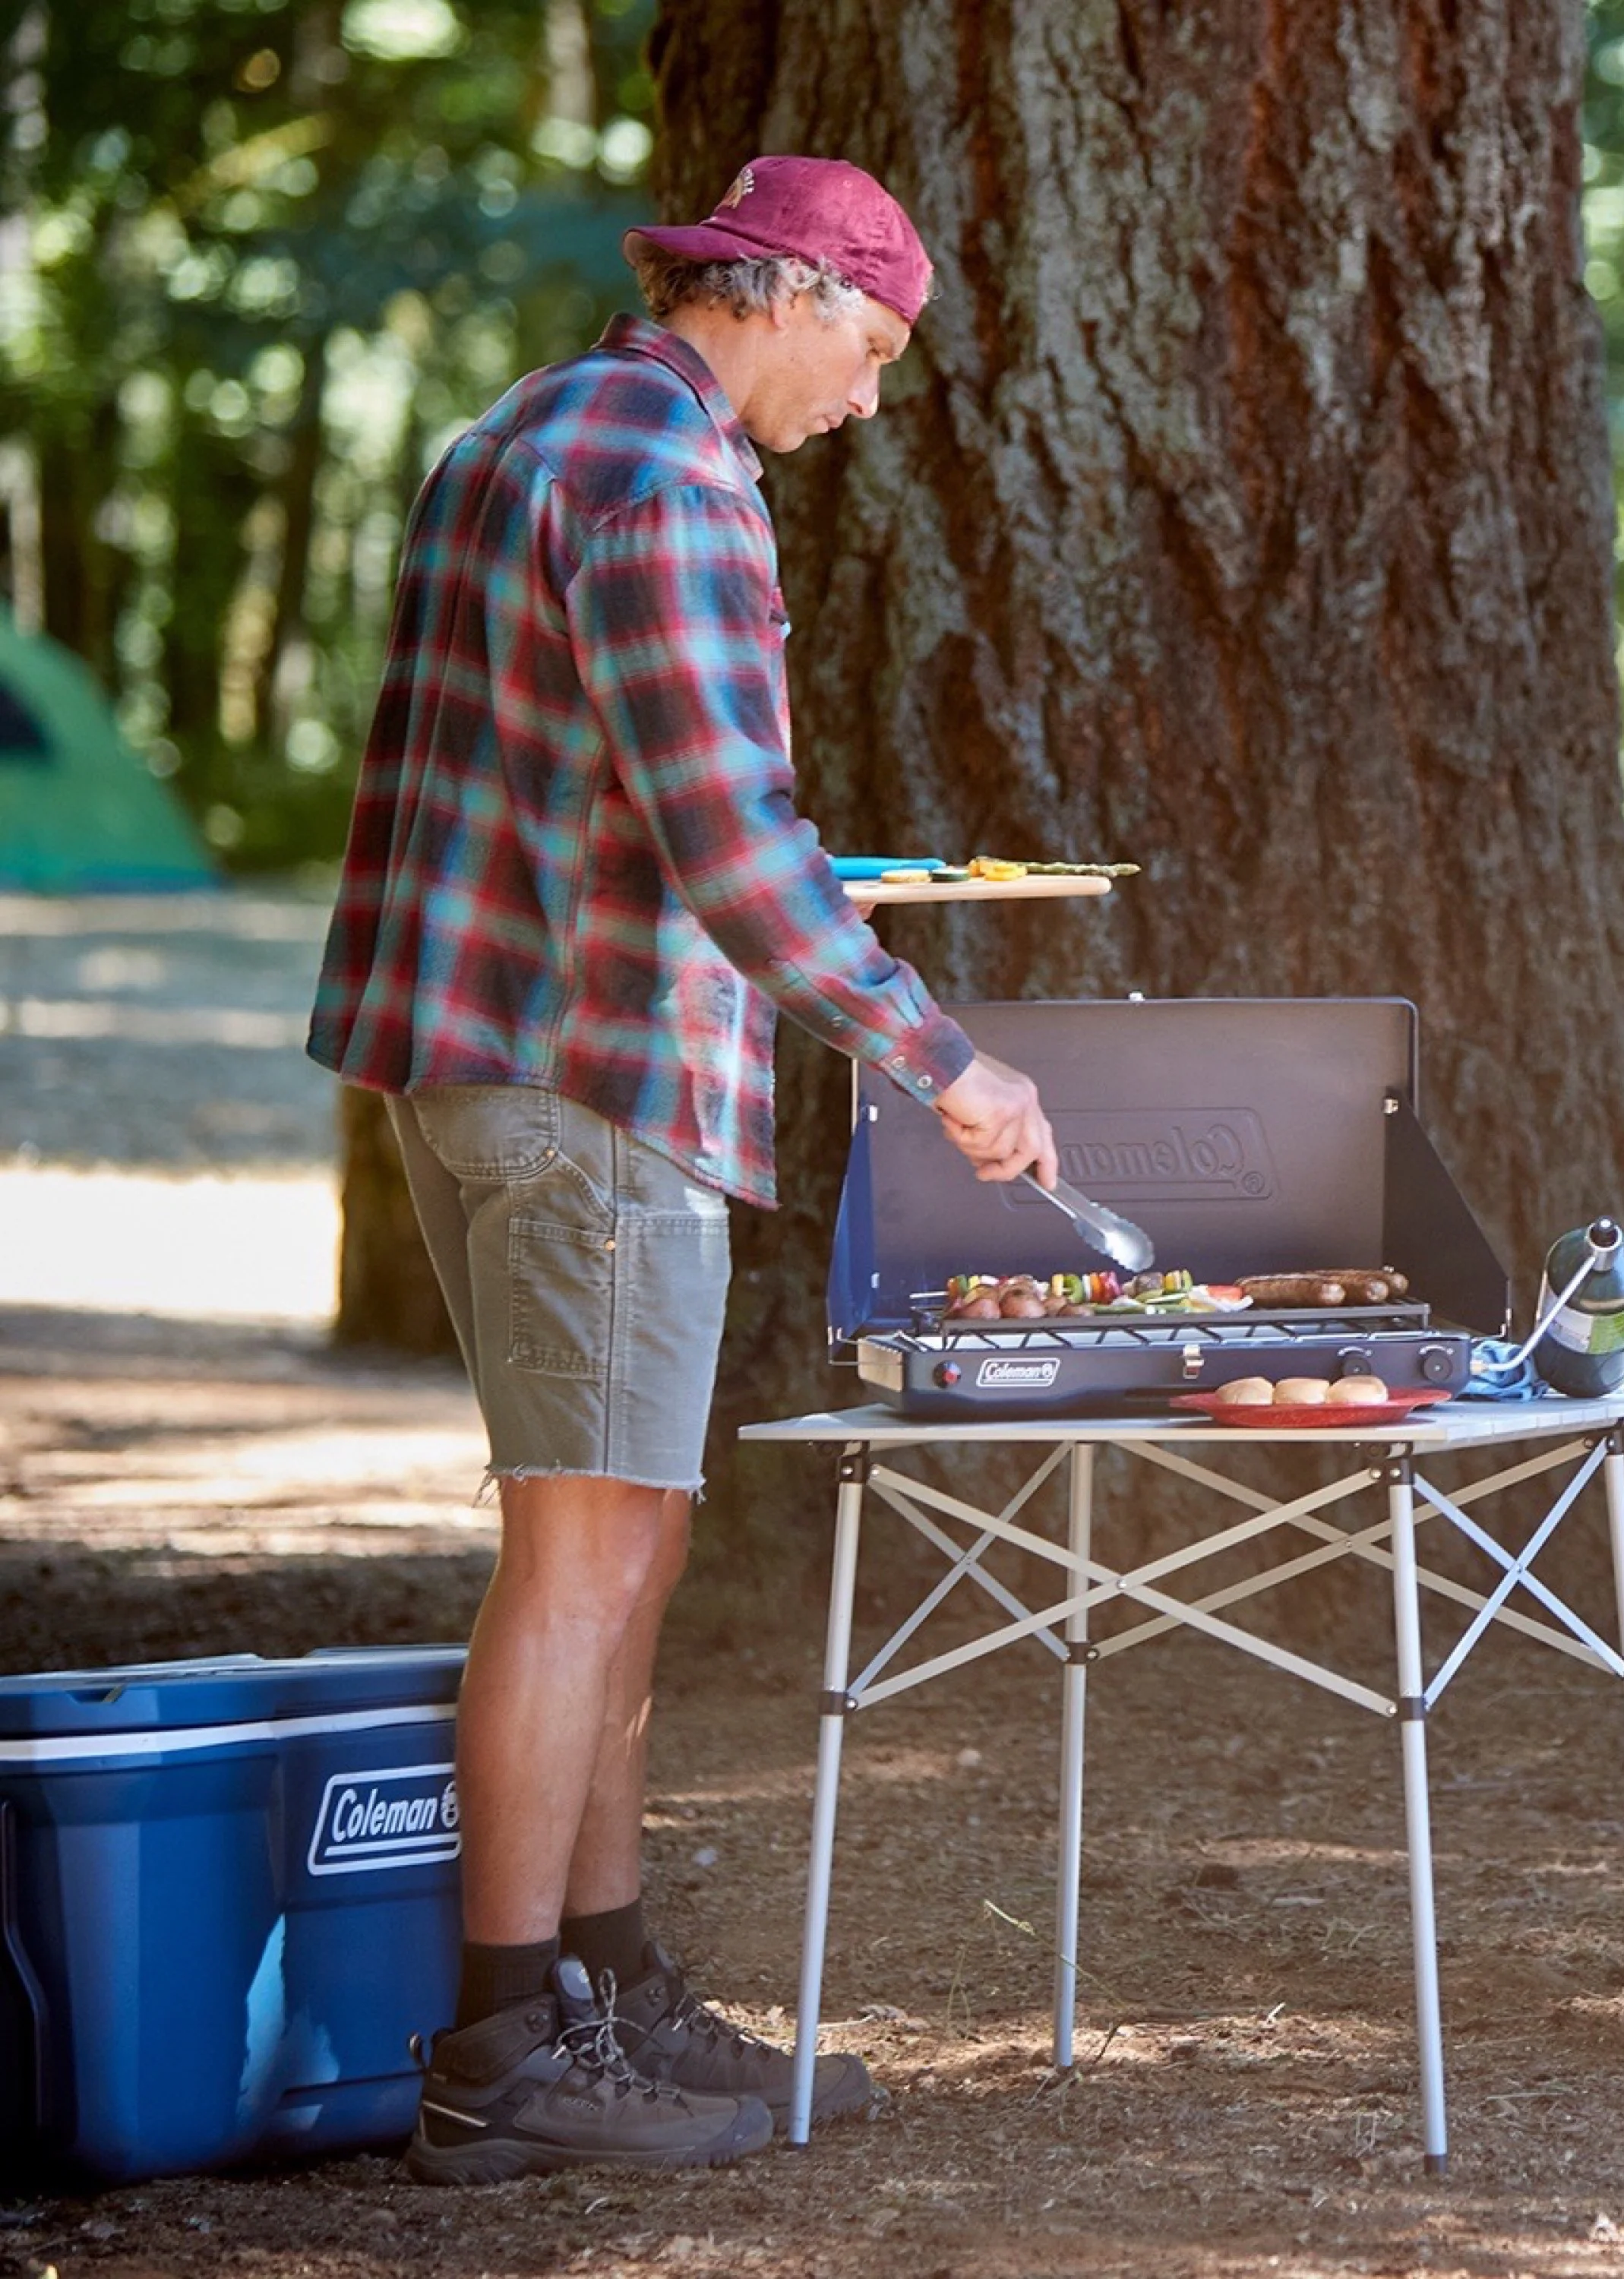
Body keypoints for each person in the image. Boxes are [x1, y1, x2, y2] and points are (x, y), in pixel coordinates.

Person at [308, 155, 1057, 2186]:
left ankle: (602, 1987)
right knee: (580, 1565)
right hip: (598, 1081)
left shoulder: (530, 427)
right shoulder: (677, 476)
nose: (875, 399)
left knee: (624, 1551)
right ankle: (498, 2051)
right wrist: (946, 1064)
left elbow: (569, 780)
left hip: (480, 1058)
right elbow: (730, 846)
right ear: (791, 292)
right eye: (877, 350)